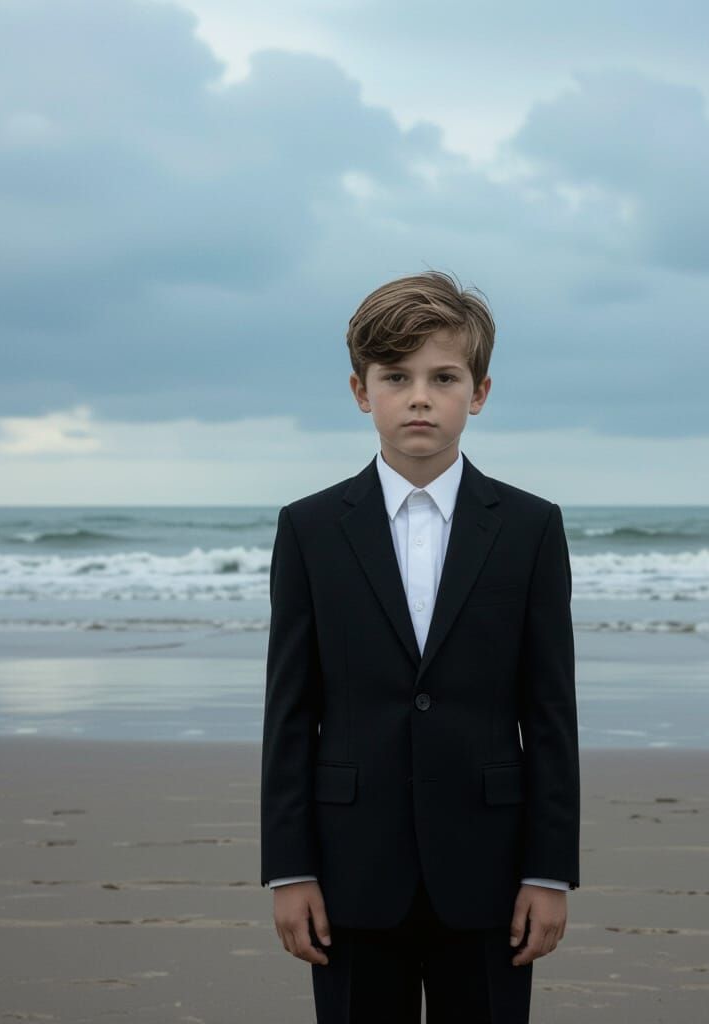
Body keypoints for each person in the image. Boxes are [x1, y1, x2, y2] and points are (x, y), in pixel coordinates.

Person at [260, 270, 580, 1022]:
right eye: (395, 376)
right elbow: (289, 711)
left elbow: (552, 712)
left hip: (493, 874)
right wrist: (288, 870)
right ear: (359, 391)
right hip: (348, 872)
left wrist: (550, 872)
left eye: (444, 376)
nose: (420, 396)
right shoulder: (308, 530)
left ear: (481, 392)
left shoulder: (531, 529)